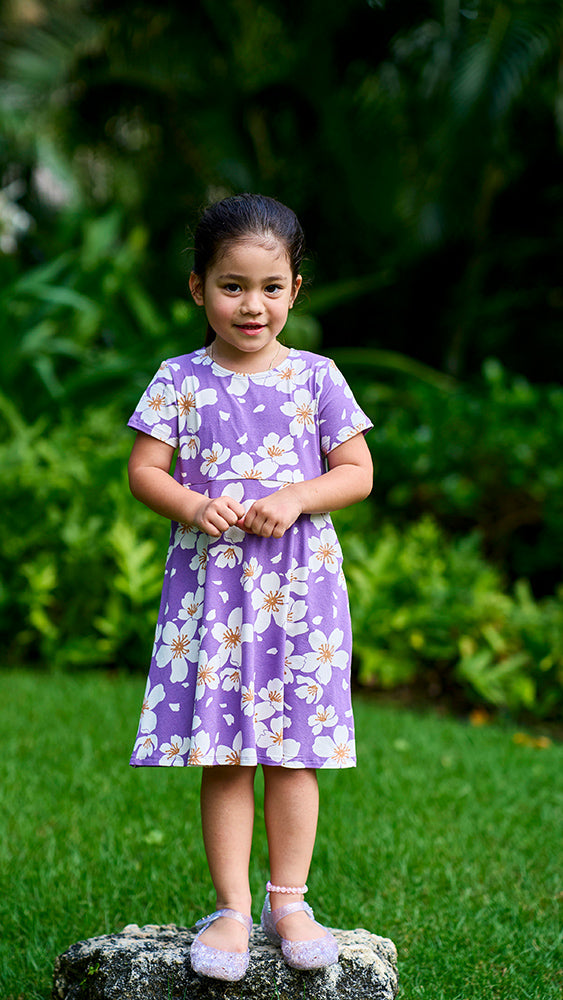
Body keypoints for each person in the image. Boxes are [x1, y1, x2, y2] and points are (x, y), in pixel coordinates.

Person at [127, 193, 373, 981]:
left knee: (294, 753)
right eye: (231, 286)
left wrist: (297, 495)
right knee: (226, 753)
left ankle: (288, 902)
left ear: (295, 289)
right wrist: (193, 505)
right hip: (214, 596)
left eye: (269, 287)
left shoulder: (315, 377)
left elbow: (356, 472)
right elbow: (144, 470)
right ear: (197, 287)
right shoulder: (179, 379)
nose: (251, 305)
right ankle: (232, 909)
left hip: (298, 596)